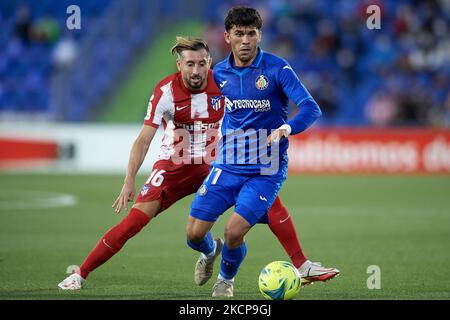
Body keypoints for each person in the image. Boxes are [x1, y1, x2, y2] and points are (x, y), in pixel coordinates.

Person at [57, 36, 337, 290]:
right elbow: (143, 140)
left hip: (219, 164)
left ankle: (298, 265)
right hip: (174, 168)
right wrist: (129, 180)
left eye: (201, 63)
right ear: (179, 65)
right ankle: (81, 274)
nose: (196, 70)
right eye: (189, 64)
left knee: (267, 200)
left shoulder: (224, 82)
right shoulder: (165, 91)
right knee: (142, 224)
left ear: (209, 63)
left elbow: (257, 107)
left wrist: (276, 130)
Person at [186, 7, 338, 298]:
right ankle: (210, 252)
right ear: (227, 36)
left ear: (260, 35)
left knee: (234, 231)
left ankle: (225, 281)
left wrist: (287, 129)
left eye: (251, 33)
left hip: (266, 168)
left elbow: (310, 108)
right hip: (228, 164)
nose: (245, 40)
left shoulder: (277, 68)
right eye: (239, 34)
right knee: (194, 235)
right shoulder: (218, 73)